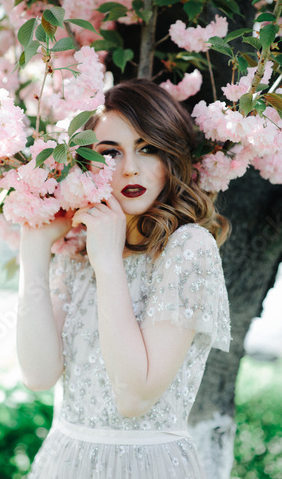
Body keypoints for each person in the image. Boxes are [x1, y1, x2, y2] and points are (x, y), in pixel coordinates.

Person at [17, 79, 231, 479]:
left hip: (146, 465)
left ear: (171, 156)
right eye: (111, 152)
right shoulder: (82, 251)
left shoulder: (188, 249)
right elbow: (39, 375)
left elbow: (134, 396)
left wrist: (109, 265)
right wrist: (33, 250)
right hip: (64, 461)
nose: (130, 167)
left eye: (148, 148)